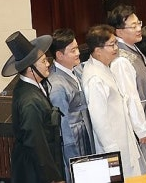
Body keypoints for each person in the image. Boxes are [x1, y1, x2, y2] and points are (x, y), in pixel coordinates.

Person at [81, 25, 146, 176]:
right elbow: (99, 120)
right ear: (98, 51)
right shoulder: (95, 78)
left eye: (116, 43)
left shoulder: (104, 67)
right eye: (112, 45)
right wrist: (111, 152)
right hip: (113, 147)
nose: (116, 48)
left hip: (123, 138)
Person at [3, 31, 65, 183]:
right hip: (35, 173)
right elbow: (37, 144)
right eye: (44, 61)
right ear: (31, 69)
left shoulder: (28, 86)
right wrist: (53, 177)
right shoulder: (29, 100)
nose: (48, 64)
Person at [108, 6, 146, 172]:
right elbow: (130, 96)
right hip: (140, 122)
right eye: (133, 26)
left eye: (138, 23)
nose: (139, 28)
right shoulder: (121, 60)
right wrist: (141, 129)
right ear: (119, 31)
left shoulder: (133, 48)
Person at [48, 29, 94, 179]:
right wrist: (71, 156)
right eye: (73, 50)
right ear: (59, 55)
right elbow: (63, 124)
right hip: (74, 139)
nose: (78, 53)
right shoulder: (56, 85)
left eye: (77, 48)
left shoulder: (76, 70)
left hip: (85, 131)